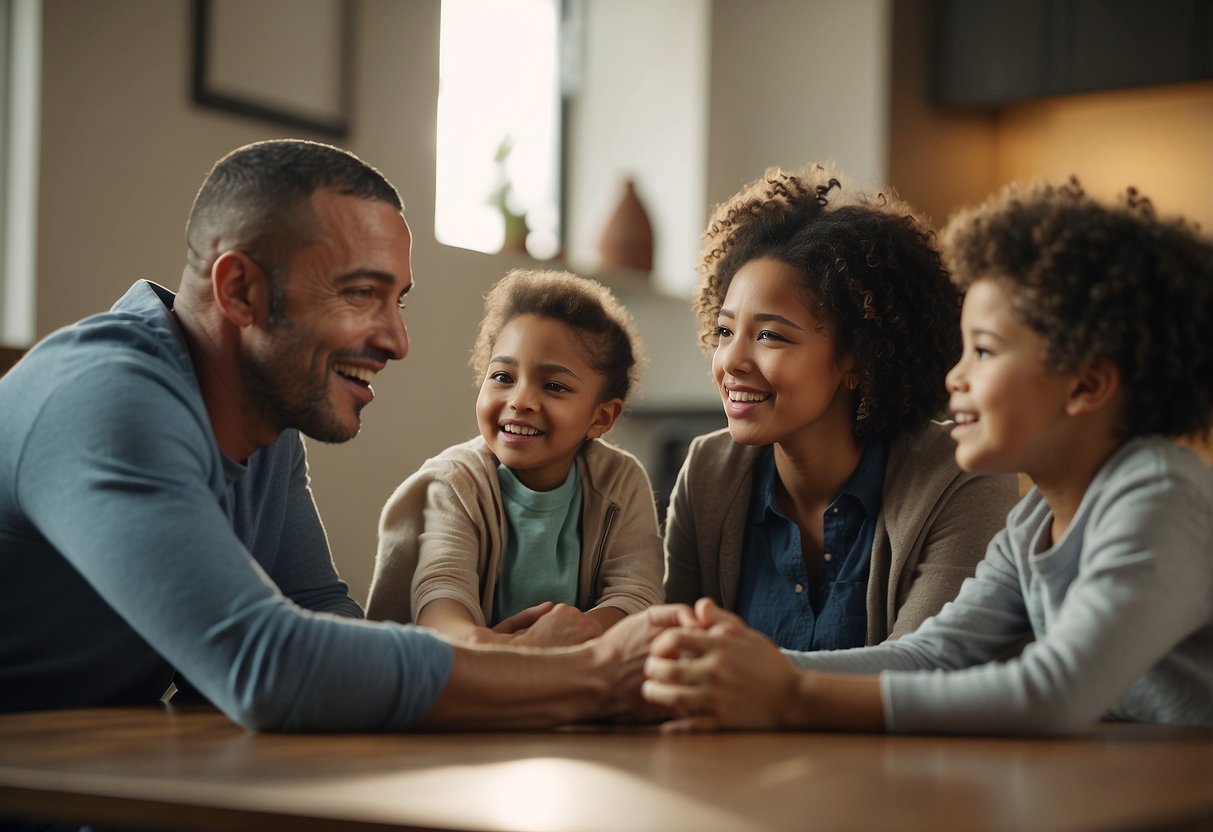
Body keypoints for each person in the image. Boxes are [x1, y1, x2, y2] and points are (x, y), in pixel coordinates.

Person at [0, 138, 682, 733]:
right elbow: (265, 663)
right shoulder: (106, 397)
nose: (397, 340)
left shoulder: (262, 421)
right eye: (362, 294)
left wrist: (495, 663)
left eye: (399, 301)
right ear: (239, 291)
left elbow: (318, 616)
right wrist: (588, 673)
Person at [643, 178, 1213, 735]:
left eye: (984, 352)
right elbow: (937, 654)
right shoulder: (1036, 521)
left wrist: (790, 692)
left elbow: (1051, 691)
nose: (956, 376)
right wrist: (746, 670)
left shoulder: (1161, 497)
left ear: (1086, 386)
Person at [663, 163, 1019, 651]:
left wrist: (749, 672)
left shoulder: (962, 476)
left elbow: (931, 668)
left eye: (769, 335)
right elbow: (665, 651)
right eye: (725, 331)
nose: (732, 361)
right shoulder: (708, 473)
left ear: (857, 358)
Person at [366, 268, 664, 646]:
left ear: (601, 417)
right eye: (503, 377)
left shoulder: (620, 482)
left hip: (576, 678)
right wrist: (509, 653)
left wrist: (572, 635)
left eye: (554, 386)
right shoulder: (456, 483)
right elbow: (441, 598)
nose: (520, 400)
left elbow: (637, 595)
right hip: (463, 682)